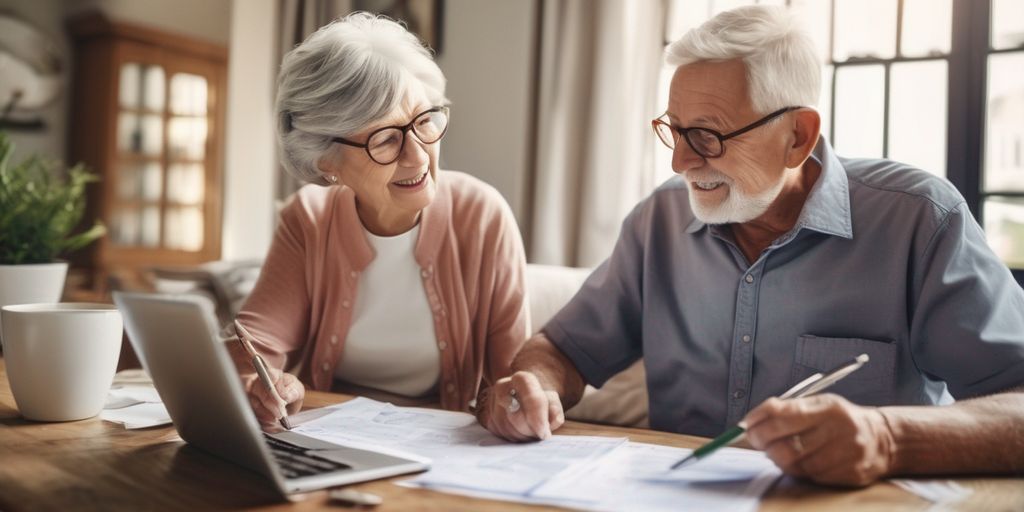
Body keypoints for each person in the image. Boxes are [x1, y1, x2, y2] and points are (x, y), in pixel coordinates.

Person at [477, 5, 1024, 486]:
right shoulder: (659, 221)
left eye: (708, 136)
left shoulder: (920, 221)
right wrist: (533, 385)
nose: (680, 163)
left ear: (797, 137)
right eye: (675, 130)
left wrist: (886, 437)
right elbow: (563, 350)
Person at [231, 12, 529, 428]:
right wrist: (265, 387)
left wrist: (519, 402)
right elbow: (251, 351)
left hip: (440, 451)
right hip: (331, 439)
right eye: (386, 139)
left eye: (424, 121)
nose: (419, 155)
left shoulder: (483, 216)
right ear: (326, 160)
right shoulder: (310, 220)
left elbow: (514, 381)